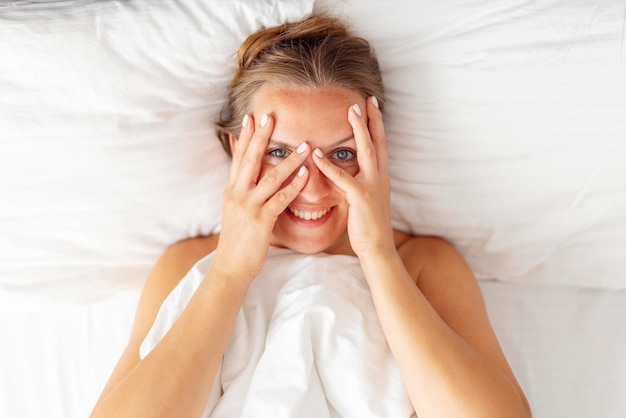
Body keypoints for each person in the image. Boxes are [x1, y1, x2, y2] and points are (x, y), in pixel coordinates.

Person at [91, 15, 532, 418]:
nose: (313, 188)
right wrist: (230, 271)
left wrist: (377, 255)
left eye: (342, 154)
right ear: (235, 149)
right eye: (279, 153)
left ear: (376, 153)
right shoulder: (190, 265)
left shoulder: (422, 263)